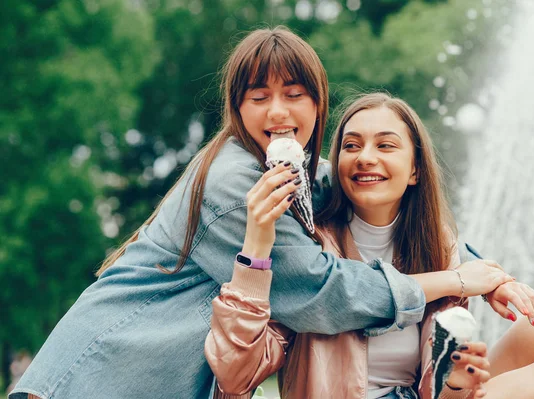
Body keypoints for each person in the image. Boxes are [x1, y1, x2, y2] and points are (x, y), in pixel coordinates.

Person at [11, 27, 452, 399]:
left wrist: (477, 266)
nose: (278, 111)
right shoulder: (235, 184)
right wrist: (452, 282)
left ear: (318, 103)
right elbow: (319, 292)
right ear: (238, 108)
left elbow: (359, 187)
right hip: (99, 375)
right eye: (259, 97)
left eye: (294, 94)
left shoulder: (291, 170)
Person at [205, 93, 534, 399]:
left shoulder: (436, 246)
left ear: (414, 169)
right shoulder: (311, 247)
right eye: (352, 145)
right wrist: (257, 244)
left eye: (386, 146)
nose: (366, 158)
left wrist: (460, 381)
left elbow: (439, 388)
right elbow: (237, 374)